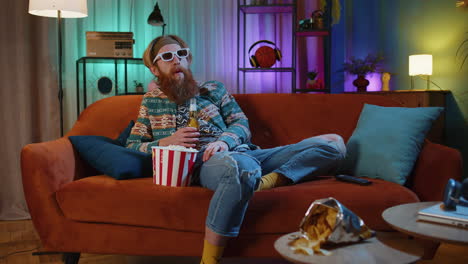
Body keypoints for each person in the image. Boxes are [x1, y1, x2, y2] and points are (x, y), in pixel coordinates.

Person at [126, 35, 346, 264]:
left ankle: (268, 181)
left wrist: (224, 141)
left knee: (334, 144)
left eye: (181, 54)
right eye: (167, 57)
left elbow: (241, 124)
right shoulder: (151, 101)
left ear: (188, 58)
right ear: (154, 68)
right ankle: (209, 260)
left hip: (246, 152)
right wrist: (166, 141)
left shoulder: (214, 89)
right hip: (208, 162)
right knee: (240, 168)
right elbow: (132, 145)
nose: (176, 60)